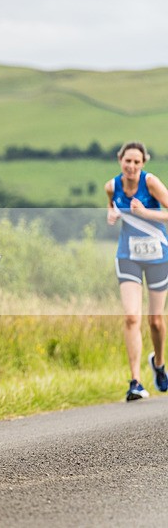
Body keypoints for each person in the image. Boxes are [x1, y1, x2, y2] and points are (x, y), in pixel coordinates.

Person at [106, 141, 168, 401]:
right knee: (131, 316)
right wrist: (111, 214)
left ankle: (159, 363)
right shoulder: (112, 186)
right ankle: (135, 382)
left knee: (155, 321)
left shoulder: (151, 183)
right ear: (120, 160)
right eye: (127, 161)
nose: (131, 166)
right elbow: (112, 206)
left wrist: (146, 213)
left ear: (143, 164)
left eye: (136, 162)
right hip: (128, 255)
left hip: (158, 255)